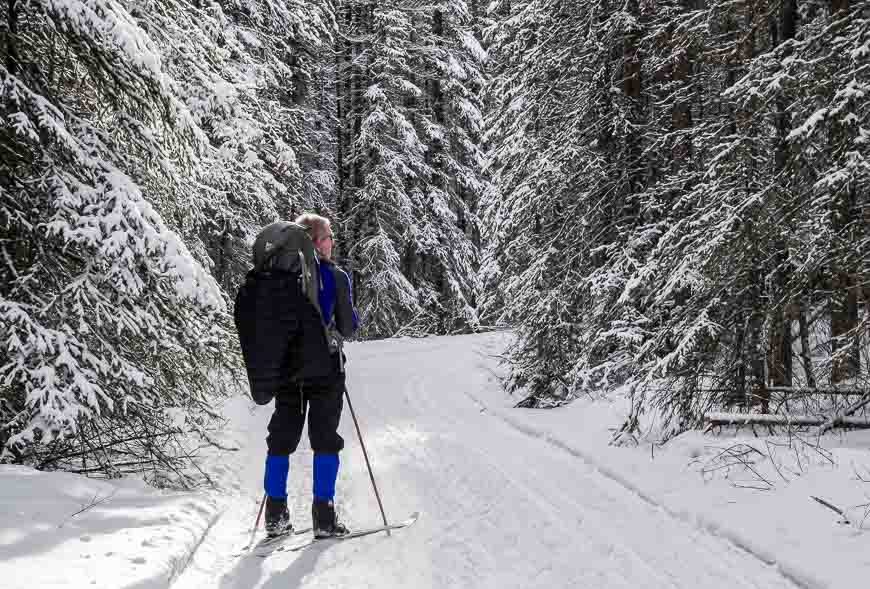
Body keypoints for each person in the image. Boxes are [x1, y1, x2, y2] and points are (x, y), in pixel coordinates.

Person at [262, 213, 359, 538]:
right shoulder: (335, 276)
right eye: (329, 236)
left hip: (287, 371)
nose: (332, 242)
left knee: (281, 438)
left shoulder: (274, 277)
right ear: (317, 242)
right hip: (326, 369)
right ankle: (324, 517)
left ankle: (275, 515)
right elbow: (348, 327)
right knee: (324, 439)